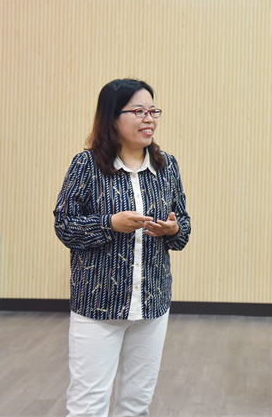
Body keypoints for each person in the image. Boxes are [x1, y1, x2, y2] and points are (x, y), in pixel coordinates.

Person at [54, 79, 191, 416]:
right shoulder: (87, 165)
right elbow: (65, 225)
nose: (149, 119)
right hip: (98, 306)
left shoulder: (166, 166)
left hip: (151, 306)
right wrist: (109, 224)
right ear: (112, 118)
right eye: (139, 111)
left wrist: (173, 229)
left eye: (153, 111)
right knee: (88, 406)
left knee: (136, 404)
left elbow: (183, 230)